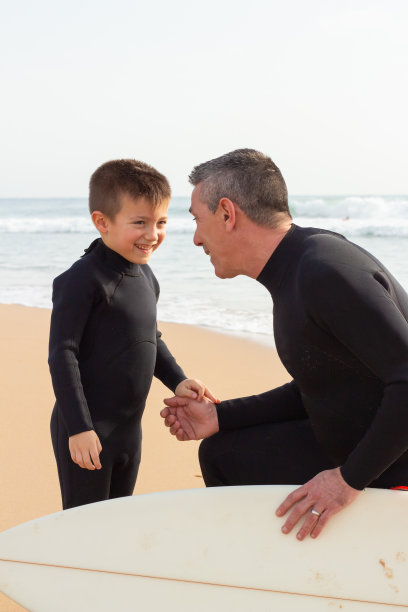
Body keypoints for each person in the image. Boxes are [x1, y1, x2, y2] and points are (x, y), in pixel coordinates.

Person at [161, 148, 408, 540]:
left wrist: (347, 481)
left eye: (197, 220)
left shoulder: (325, 273)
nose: (195, 238)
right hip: (355, 442)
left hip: (390, 464)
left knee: (226, 460)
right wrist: (220, 417)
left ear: (227, 214)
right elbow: (326, 383)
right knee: (223, 451)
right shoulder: (297, 266)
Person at [49, 158, 217, 510]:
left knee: (117, 517)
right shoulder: (82, 280)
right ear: (102, 222)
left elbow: (149, 338)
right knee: (84, 522)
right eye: (139, 222)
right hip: (87, 428)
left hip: (128, 431)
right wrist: (79, 427)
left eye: (161, 222)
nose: (152, 235)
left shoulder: (146, 277)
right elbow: (62, 354)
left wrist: (178, 381)